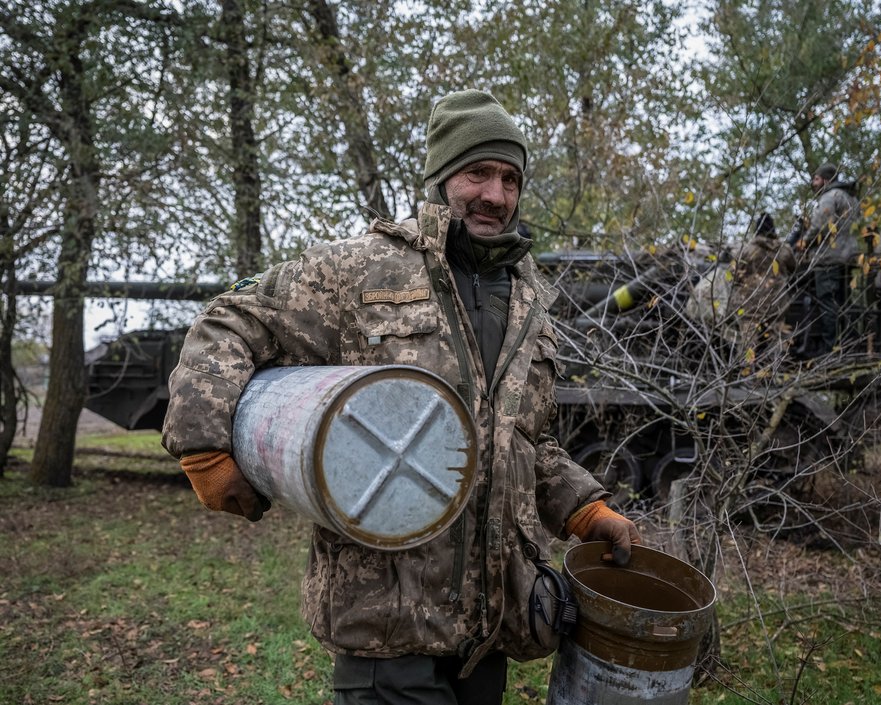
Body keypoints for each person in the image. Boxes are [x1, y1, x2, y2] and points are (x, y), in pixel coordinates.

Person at [161, 89, 640, 705]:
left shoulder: (526, 298)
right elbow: (227, 319)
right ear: (442, 178)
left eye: (510, 178)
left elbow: (521, 437)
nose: (495, 194)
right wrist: (204, 447)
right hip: (388, 622)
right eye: (478, 173)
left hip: (492, 627)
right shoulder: (360, 269)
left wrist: (584, 509)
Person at [786, 162, 860, 357]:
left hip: (828, 259)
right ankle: (848, 346)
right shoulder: (850, 198)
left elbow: (819, 225)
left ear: (826, 180)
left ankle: (829, 351)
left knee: (827, 303)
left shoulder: (829, 197)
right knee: (844, 303)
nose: (813, 183)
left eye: (816, 179)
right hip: (847, 257)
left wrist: (802, 243)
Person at [728, 212, 797, 361]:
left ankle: (745, 375)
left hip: (750, 302)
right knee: (777, 338)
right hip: (776, 301)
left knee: (748, 342)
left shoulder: (746, 250)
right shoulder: (783, 249)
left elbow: (733, 275)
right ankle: (776, 373)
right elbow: (794, 268)